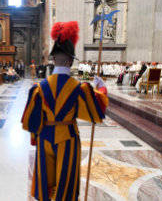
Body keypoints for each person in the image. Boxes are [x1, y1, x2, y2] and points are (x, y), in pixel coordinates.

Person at [22, 21, 108, 201]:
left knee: (46, 180)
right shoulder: (79, 88)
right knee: (66, 182)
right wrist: (101, 89)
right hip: (68, 137)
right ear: (70, 60)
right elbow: (95, 114)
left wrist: (34, 138)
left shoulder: (39, 87)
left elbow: (31, 120)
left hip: (45, 137)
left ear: (53, 60)